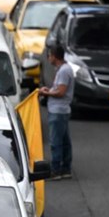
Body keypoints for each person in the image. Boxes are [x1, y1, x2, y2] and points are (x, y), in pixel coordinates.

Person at [38, 45, 74, 180]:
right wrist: (51, 89)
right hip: (61, 110)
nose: (48, 58)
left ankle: (56, 170)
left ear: (54, 56)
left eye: (49, 55)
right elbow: (58, 88)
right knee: (64, 141)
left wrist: (46, 93)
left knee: (55, 142)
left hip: (58, 111)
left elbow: (61, 91)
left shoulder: (64, 71)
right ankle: (65, 169)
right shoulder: (63, 69)